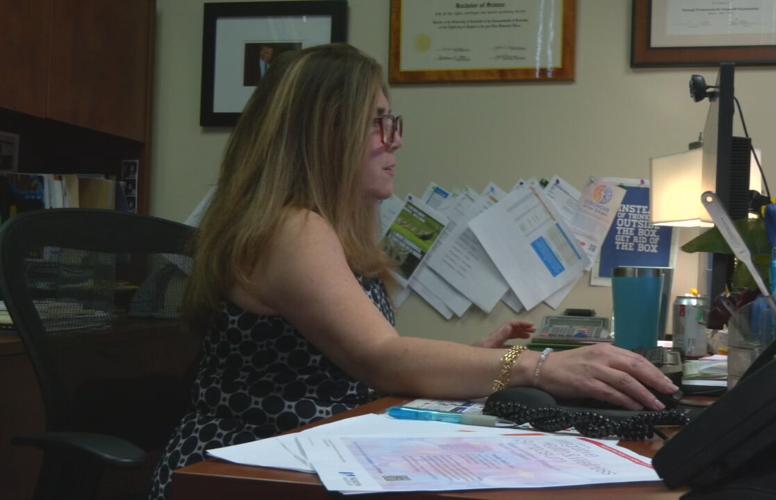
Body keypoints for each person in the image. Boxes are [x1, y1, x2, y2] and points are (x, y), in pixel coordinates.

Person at [149, 43, 677, 500]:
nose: (395, 138)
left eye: (392, 121)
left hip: (311, 456)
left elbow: (355, 361)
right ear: (323, 132)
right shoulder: (291, 229)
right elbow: (381, 359)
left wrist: (470, 363)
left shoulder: (324, 229)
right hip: (242, 474)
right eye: (378, 122)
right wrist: (537, 367)